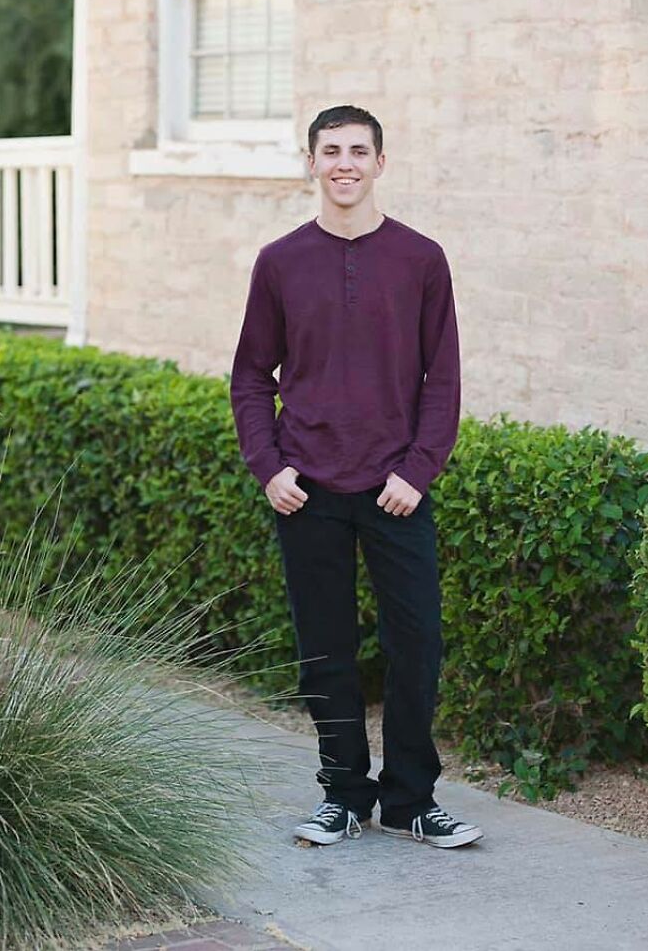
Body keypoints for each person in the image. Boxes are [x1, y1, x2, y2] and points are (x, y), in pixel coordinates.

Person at [230, 105, 483, 850]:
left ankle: (410, 799)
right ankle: (343, 794)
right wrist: (268, 465)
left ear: (380, 163)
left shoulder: (421, 259)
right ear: (310, 162)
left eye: (358, 151)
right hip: (306, 487)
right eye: (330, 150)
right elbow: (250, 375)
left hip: (395, 492)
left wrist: (418, 469)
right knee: (325, 650)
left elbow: (444, 380)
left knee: (418, 644)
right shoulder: (280, 261)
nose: (345, 163)